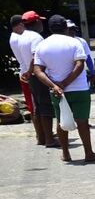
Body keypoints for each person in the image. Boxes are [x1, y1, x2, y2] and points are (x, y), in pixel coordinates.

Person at [31, 15, 95, 162]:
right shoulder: (74, 42)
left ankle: (65, 154)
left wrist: (55, 85)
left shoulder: (42, 45)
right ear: (66, 27)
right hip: (79, 89)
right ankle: (88, 153)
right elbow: (79, 66)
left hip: (57, 91)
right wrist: (64, 83)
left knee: (61, 121)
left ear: (50, 28)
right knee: (82, 121)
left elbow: (38, 70)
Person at [15, 11, 56, 147]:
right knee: (45, 106)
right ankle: (49, 139)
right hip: (37, 74)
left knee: (37, 106)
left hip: (30, 76)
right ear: (36, 22)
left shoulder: (22, 37)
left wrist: (28, 71)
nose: (41, 23)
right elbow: (35, 56)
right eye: (40, 21)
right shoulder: (36, 37)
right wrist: (31, 70)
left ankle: (41, 138)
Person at [65, 20, 95, 87]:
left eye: (73, 28)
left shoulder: (81, 41)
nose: (72, 31)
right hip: (64, 76)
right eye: (69, 29)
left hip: (80, 76)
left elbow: (88, 58)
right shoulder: (60, 42)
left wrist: (92, 72)